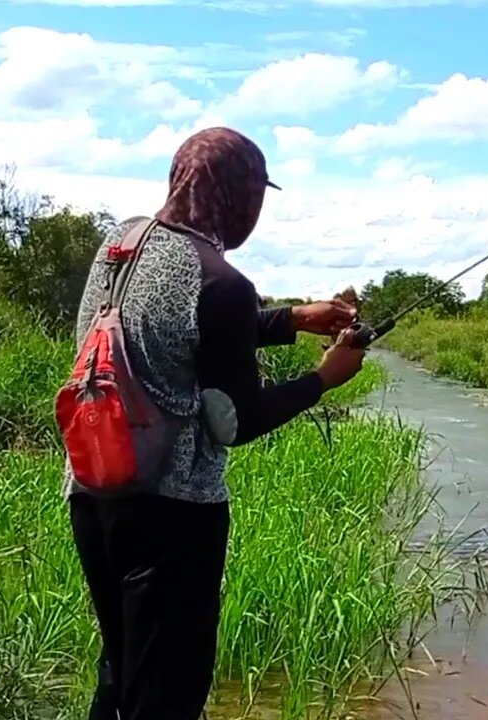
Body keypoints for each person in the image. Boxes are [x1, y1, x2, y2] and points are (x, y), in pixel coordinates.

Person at [63, 126, 367, 720]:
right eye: (256, 192)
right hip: (174, 517)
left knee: (121, 671)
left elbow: (181, 326)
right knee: (169, 693)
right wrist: (323, 379)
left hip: (94, 494)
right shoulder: (223, 282)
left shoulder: (121, 244)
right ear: (238, 193)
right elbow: (238, 422)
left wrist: (295, 319)